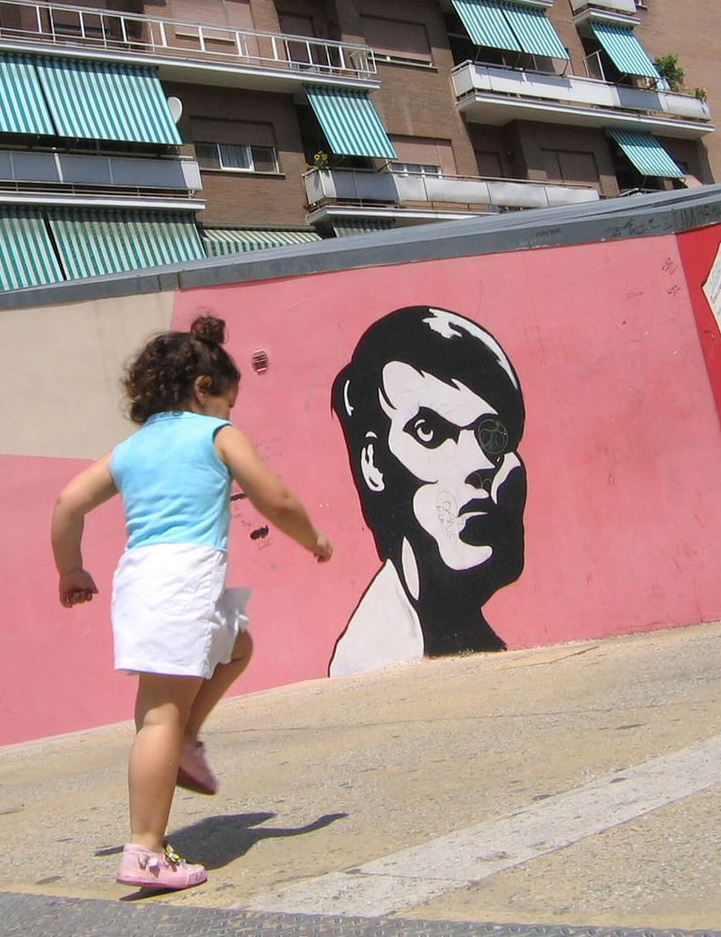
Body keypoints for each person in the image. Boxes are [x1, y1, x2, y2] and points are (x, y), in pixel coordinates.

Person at [52, 314, 332, 893]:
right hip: (182, 579)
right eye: (230, 402)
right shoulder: (215, 435)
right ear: (204, 389)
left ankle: (184, 742)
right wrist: (313, 538)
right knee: (158, 714)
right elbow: (274, 497)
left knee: (237, 645)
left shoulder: (129, 449)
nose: (232, 414)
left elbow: (67, 502)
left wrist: (71, 570)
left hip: (143, 580)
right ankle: (146, 850)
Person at [328, 306, 526, 677]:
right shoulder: (370, 664)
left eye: (492, 435)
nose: (480, 463)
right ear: (374, 464)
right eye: (429, 432)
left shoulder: (473, 646)